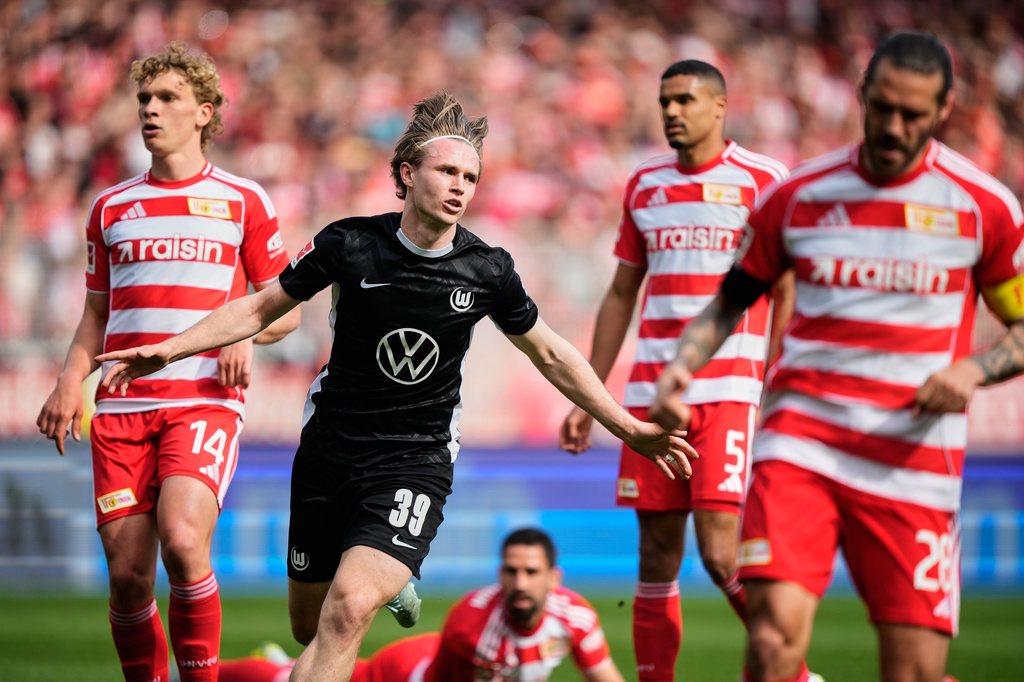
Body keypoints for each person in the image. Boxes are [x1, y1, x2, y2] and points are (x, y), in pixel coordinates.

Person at [96, 91, 698, 682]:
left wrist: (630, 427)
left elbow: (551, 352)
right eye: (447, 171)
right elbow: (260, 309)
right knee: (308, 626)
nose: (461, 185)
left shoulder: (487, 270)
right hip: (329, 451)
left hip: (414, 459)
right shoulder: (350, 244)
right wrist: (169, 349)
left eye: (471, 175)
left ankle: (384, 572)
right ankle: (387, 580)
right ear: (407, 174)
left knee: (348, 610)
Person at [650, 30, 1024, 682]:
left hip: (913, 457)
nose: (893, 126)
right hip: (802, 445)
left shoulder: (983, 207)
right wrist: (682, 366)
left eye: (912, 114)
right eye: (882, 108)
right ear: (861, 97)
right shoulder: (799, 195)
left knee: (913, 672)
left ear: (945, 109)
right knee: (769, 647)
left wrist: (972, 369)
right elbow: (727, 301)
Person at [35, 43, 300, 682]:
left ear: (204, 113)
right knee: (128, 578)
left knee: (184, 542)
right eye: (144, 100)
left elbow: (286, 310)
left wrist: (245, 331)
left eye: (168, 99)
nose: (151, 111)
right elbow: (96, 314)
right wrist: (72, 380)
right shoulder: (111, 206)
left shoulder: (244, 199)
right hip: (122, 407)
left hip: (203, 399)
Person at [559, 60, 790, 682]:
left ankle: (793, 673)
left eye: (685, 99)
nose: (671, 111)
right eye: (664, 101)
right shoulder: (644, 185)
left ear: (720, 106)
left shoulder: (766, 180)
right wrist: (590, 394)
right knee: (656, 555)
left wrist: (780, 377)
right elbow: (619, 295)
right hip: (647, 399)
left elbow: (788, 285)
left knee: (720, 554)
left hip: (731, 389)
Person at [218, 528, 629, 682]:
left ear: (554, 579)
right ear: (500, 573)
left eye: (532, 572)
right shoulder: (475, 628)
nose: (520, 583)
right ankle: (205, 673)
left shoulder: (576, 618)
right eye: (512, 571)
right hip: (408, 672)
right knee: (293, 676)